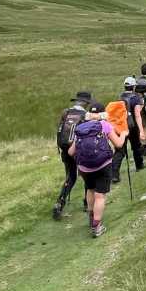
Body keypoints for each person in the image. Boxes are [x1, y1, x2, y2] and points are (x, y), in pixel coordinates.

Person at [69, 105, 127, 237]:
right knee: (100, 195)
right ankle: (96, 226)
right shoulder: (104, 125)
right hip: (103, 165)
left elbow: (71, 152)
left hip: (84, 168)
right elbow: (118, 144)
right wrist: (123, 134)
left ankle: (91, 218)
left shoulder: (81, 128)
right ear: (103, 113)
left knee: (90, 190)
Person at [53, 92, 94, 220]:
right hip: (78, 148)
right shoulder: (85, 115)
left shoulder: (65, 112)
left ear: (76, 101)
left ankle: (59, 203)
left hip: (64, 148)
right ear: (86, 103)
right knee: (87, 174)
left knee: (70, 176)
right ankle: (87, 203)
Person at [110, 76, 146, 182]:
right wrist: (141, 130)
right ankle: (139, 165)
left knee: (120, 150)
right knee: (136, 147)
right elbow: (137, 115)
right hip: (132, 126)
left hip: (121, 126)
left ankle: (114, 175)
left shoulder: (120, 97)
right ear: (134, 87)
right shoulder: (136, 98)